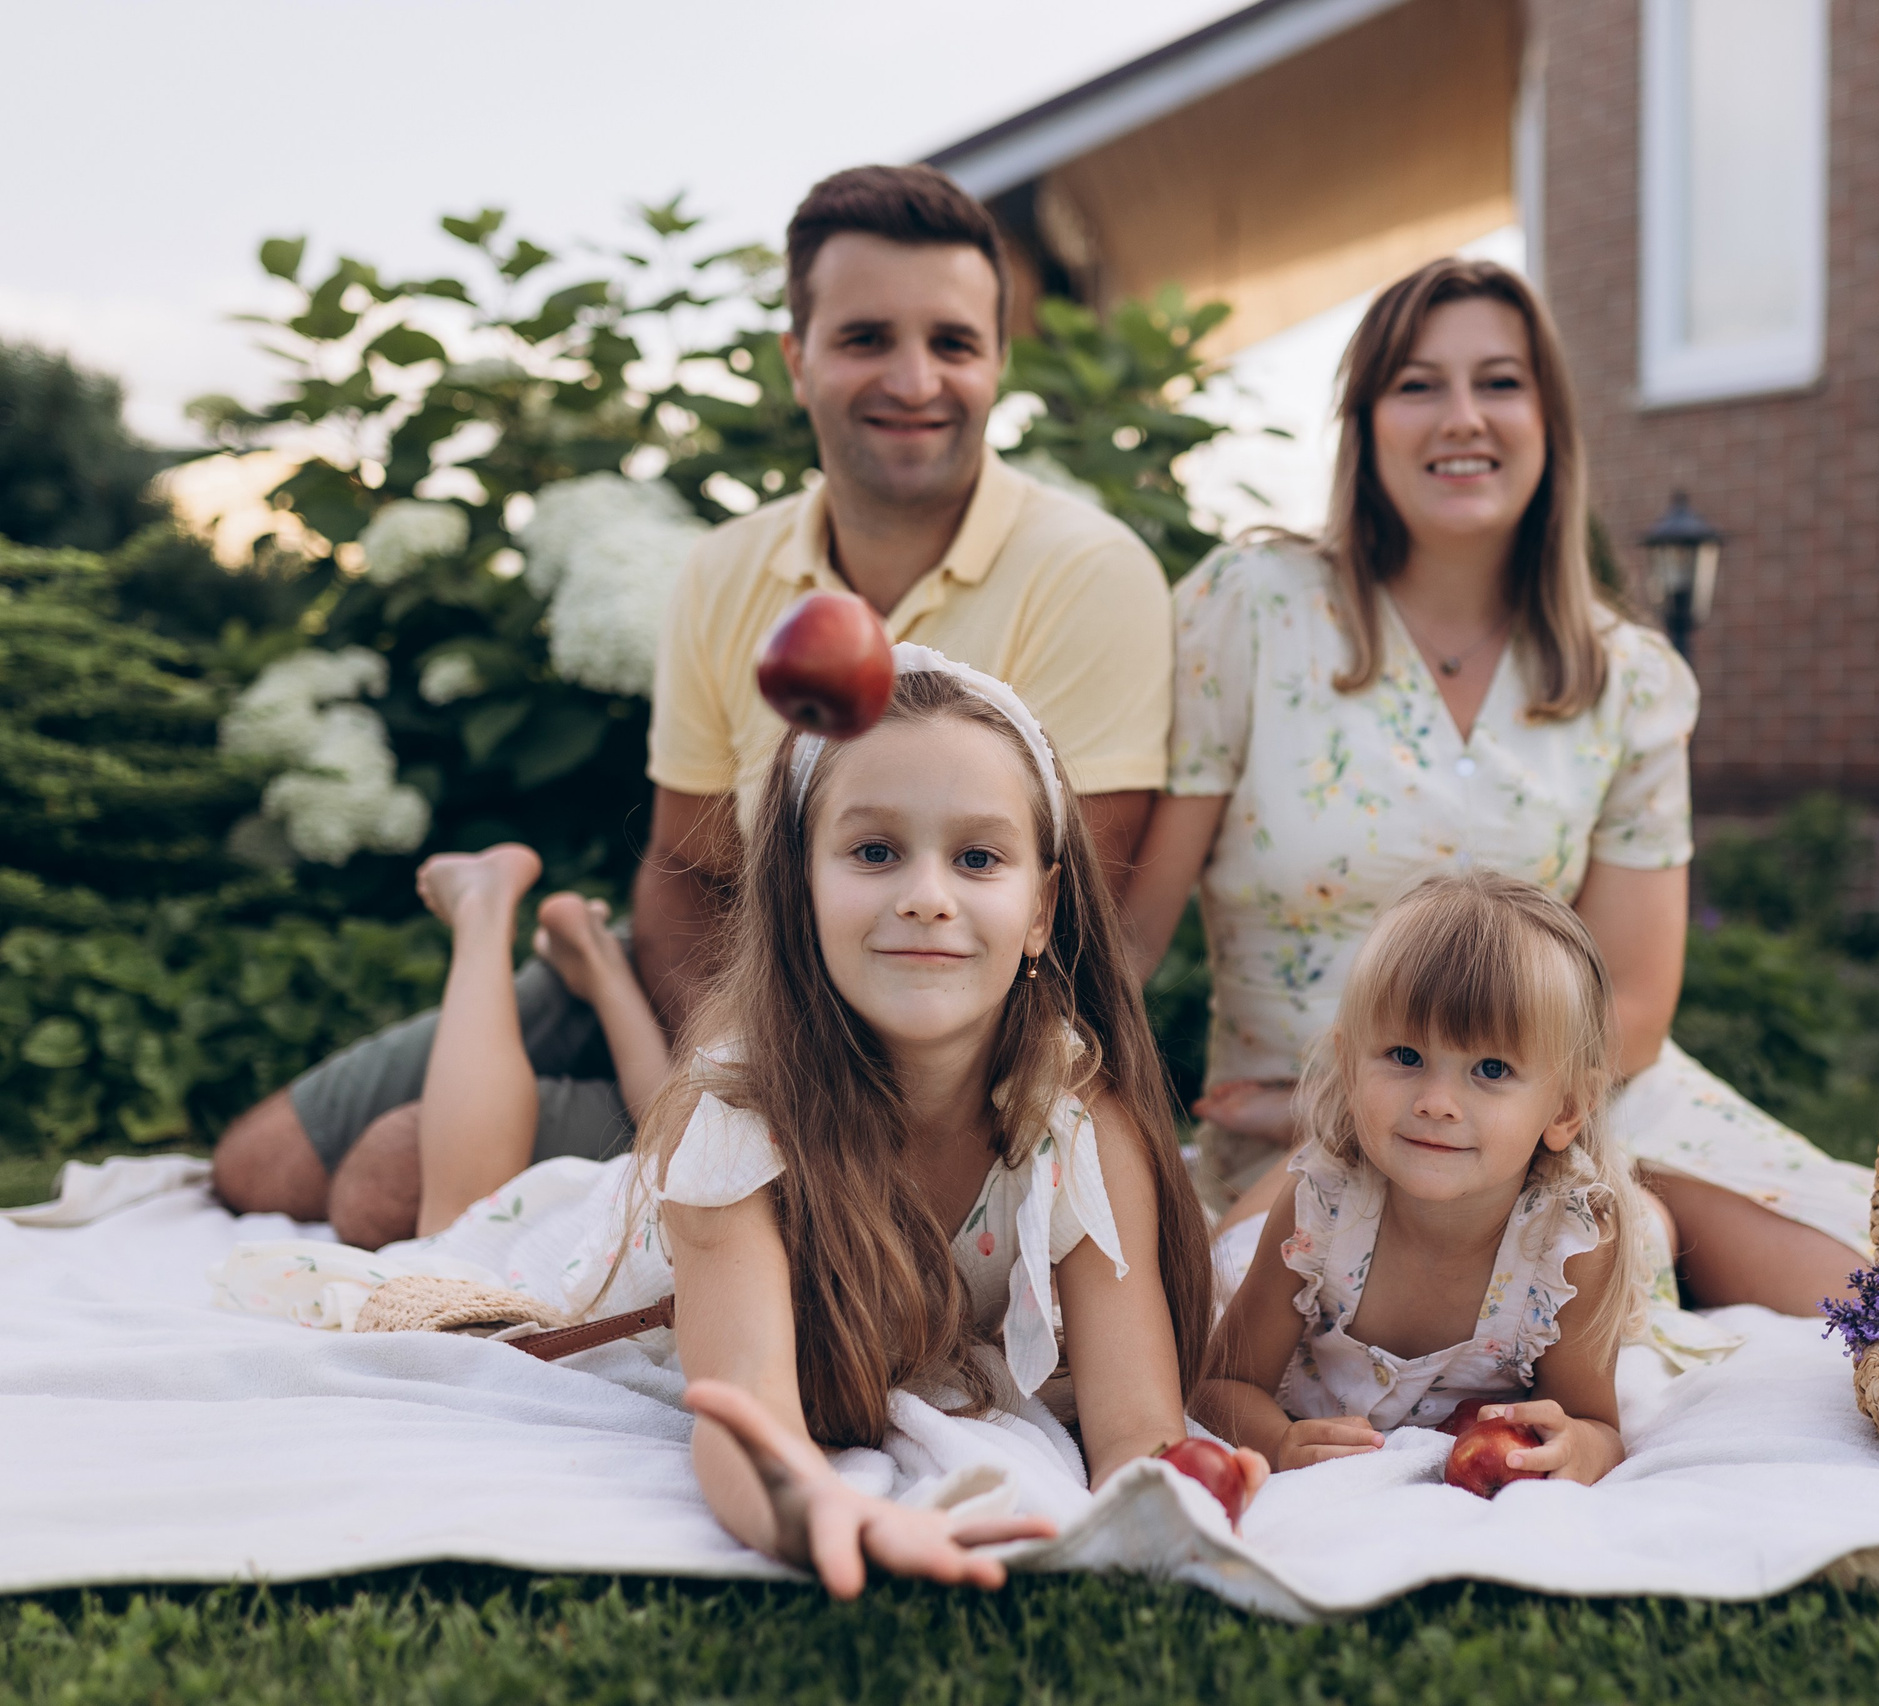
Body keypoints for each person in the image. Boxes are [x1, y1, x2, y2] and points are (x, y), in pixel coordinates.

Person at [210, 163, 1175, 1246]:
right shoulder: (729, 571)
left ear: (998, 361)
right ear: (795, 358)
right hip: (718, 1001)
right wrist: (703, 1078)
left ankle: (539, 969)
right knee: (258, 1165)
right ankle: (546, 944)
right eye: (865, 338)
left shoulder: (1088, 571)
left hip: (901, 1059)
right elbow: (682, 873)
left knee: (390, 1175)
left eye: (952, 342)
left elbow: (1076, 926)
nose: (914, 378)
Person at [1122, 257, 1879, 1317]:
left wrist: (1450, 1086)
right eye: (1416, 384)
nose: (1462, 416)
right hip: (1317, 1132)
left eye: (1499, 382)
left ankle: (1688, 1222)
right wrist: (1335, 1096)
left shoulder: (1624, 677)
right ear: (1363, 424)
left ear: (1548, 418)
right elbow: (1129, 935)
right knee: (1225, 1321)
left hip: (1580, 1097)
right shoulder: (1251, 609)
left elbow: (1630, 1003)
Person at [218, 649, 1245, 1593]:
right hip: (627, 1253)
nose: (928, 895)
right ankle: (488, 918)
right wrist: (807, 1506)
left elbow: (1137, 1424)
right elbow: (745, 1404)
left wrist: (1188, 1474)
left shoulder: (1075, 1121)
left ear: (1040, 910)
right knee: (447, 1213)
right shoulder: (740, 1121)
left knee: (672, 1086)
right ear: (799, 889)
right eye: (876, 850)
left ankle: (594, 967)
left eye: (979, 859)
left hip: (704, 1116)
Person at [1193, 874, 1651, 1484]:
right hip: (1296, 1224)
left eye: (1491, 1069)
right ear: (1351, 1067)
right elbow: (1222, 1384)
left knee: (1652, 1245)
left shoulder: (1569, 1246)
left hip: (1529, 1203)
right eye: (1405, 1057)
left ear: (1567, 1109)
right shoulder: (1315, 1210)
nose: (1437, 1102)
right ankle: (1301, 1124)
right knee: (1237, 1233)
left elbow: (1594, 1425)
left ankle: (1297, 1118)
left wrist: (1575, 1448)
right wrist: (1278, 1441)